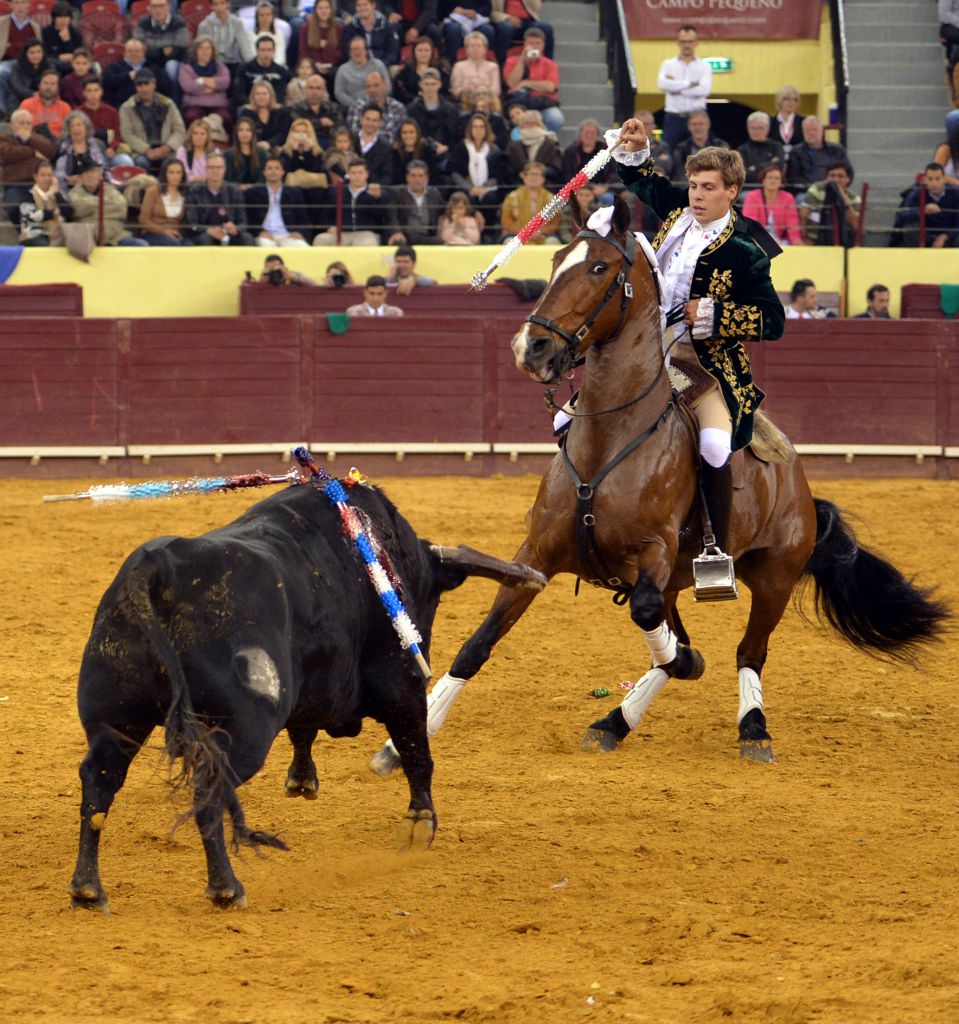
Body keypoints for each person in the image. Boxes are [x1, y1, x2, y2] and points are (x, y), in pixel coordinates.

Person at [610, 115, 786, 598]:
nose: (696, 194)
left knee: (712, 446)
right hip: (646, 348)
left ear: (732, 191)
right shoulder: (676, 210)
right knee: (572, 417)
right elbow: (639, 177)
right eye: (693, 185)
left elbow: (773, 320)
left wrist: (712, 312)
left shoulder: (747, 251)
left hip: (703, 365)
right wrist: (639, 145)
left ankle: (716, 551)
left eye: (708, 187)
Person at [67, 154, 149, 246]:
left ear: (100, 175)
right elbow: (78, 209)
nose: (90, 175)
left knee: (141, 245)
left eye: (93, 171)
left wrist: (91, 209)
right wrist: (105, 205)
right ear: (80, 177)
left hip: (116, 236)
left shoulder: (110, 190)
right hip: (88, 239)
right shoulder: (73, 194)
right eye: (86, 172)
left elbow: (121, 207)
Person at [119, 68, 186, 171]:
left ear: (154, 85)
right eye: (140, 85)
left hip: (166, 150)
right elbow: (127, 134)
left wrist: (167, 147)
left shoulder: (168, 104)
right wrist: (147, 150)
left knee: (174, 163)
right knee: (141, 163)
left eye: (147, 84)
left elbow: (179, 129)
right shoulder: (127, 107)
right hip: (141, 152)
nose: (144, 88)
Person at [657, 25, 712, 150]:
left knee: (701, 156)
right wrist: (691, 84)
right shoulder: (668, 64)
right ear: (678, 43)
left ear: (696, 43)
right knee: (669, 154)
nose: (686, 45)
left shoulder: (704, 66)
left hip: (698, 118)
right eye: (683, 41)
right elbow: (662, 84)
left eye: (690, 41)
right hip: (674, 119)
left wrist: (675, 87)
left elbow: (704, 90)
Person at [312, 157, 389, 244]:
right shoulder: (336, 192)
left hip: (365, 234)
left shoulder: (376, 193)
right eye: (353, 173)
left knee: (368, 244)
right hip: (342, 233)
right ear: (348, 175)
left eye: (360, 173)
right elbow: (325, 215)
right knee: (321, 240)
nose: (357, 176)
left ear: (366, 174)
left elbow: (384, 217)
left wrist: (378, 199)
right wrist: (329, 227)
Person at [449, 111, 503, 231]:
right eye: (475, 127)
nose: (478, 130)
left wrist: (483, 187)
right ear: (470, 129)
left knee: (490, 199)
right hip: (467, 188)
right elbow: (455, 173)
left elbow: (498, 175)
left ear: (486, 129)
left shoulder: (494, 150)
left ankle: (487, 231)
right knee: (467, 199)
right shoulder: (461, 148)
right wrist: (470, 188)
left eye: (481, 127)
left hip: (487, 189)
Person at [502, 27, 563, 134]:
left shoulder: (550, 64)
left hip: (542, 103)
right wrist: (521, 62)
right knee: (515, 117)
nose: (534, 46)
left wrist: (526, 83)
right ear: (525, 44)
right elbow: (511, 83)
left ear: (543, 45)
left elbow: (550, 86)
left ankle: (538, 139)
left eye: (538, 43)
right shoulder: (512, 61)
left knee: (556, 119)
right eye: (531, 43)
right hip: (520, 104)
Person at [185, 151, 254, 244]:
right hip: (206, 234)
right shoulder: (195, 191)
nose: (215, 171)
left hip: (228, 233)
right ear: (205, 169)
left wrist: (235, 229)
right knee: (204, 240)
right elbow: (191, 223)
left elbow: (243, 223)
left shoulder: (234, 191)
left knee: (247, 239)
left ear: (224, 169)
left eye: (219, 167)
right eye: (211, 168)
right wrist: (209, 230)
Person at [0, 109, 57, 213]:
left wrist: (30, 138)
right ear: (12, 125)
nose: (25, 126)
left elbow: (51, 151)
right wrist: (32, 152)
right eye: (21, 123)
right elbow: (5, 153)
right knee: (14, 207)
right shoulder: (5, 139)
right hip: (15, 185)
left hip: (39, 184)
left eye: (28, 123)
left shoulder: (39, 139)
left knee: (49, 208)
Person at [246, 154, 311, 245]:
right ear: (264, 172)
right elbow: (248, 219)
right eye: (269, 168)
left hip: (288, 235)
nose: (273, 171)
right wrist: (259, 232)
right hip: (265, 235)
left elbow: (303, 219)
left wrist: (299, 232)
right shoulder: (253, 193)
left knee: (302, 246)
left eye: (277, 168)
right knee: (265, 245)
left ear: (282, 172)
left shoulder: (294, 193)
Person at [894, 162, 959, 247]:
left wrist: (945, 236)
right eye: (930, 179)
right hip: (925, 237)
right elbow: (900, 217)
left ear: (944, 179)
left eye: (937, 179)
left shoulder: (955, 193)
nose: (934, 183)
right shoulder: (918, 193)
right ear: (925, 179)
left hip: (949, 238)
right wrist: (923, 211)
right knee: (909, 229)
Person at [800, 161, 861, 247]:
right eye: (832, 175)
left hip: (841, 242)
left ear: (848, 179)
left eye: (840, 176)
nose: (836, 179)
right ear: (827, 177)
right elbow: (803, 216)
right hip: (813, 240)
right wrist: (803, 240)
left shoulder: (854, 198)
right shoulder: (817, 189)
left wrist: (840, 193)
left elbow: (855, 224)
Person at [499, 160, 560, 243]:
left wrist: (540, 231)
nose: (534, 177)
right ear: (524, 177)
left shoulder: (550, 198)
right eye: (531, 174)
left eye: (537, 174)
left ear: (543, 179)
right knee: (508, 241)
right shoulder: (513, 196)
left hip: (542, 236)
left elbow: (555, 223)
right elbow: (506, 221)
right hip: (517, 234)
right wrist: (523, 232)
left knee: (553, 241)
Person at [741, 165, 803, 246]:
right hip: (757, 240)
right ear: (763, 180)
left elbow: (792, 223)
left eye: (776, 178)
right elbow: (751, 225)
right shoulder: (752, 196)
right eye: (770, 177)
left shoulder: (788, 197)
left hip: (782, 241)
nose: (773, 181)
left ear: (781, 182)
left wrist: (796, 241)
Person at [134, 0, 189, 90]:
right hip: (149, 61)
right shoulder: (143, 23)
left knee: (171, 66)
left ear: (168, 7)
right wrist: (162, 51)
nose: (158, 10)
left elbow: (180, 48)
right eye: (154, 6)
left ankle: (174, 97)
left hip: (173, 60)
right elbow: (140, 48)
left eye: (161, 6)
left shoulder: (179, 23)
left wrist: (152, 51)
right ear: (149, 8)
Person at [103, 39, 172, 110]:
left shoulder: (153, 67)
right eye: (130, 51)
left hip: (152, 107)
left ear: (143, 53)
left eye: (137, 51)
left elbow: (167, 86)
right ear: (124, 53)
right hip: (123, 106)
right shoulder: (115, 67)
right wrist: (127, 76)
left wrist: (148, 77)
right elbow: (106, 83)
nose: (134, 54)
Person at [404, 67, 459, 155]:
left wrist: (446, 147)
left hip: (444, 153)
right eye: (427, 84)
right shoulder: (412, 109)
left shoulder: (449, 109)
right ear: (420, 84)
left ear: (439, 85)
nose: (430, 88)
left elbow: (454, 134)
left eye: (433, 84)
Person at [178, 37, 232, 127]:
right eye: (201, 48)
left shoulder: (220, 67)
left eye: (208, 48)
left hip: (218, 105)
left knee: (226, 117)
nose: (205, 51)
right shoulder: (186, 68)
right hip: (194, 104)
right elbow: (188, 86)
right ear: (195, 50)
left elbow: (225, 82)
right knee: (190, 116)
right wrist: (213, 88)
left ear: (212, 51)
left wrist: (201, 80)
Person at [0, 0, 41, 117]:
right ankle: (4, 110)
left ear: (28, 5)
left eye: (23, 2)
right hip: (7, 62)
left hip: (28, 63)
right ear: (11, 5)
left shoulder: (34, 27)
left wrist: (12, 46)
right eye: (16, 2)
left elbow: (37, 48)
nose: (20, 6)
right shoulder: (2, 23)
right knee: (1, 72)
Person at [387, 160, 443, 244]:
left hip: (427, 235)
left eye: (420, 176)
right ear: (407, 177)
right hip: (405, 235)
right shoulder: (396, 192)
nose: (417, 180)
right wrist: (396, 232)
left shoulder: (434, 193)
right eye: (413, 176)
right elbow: (392, 216)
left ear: (426, 178)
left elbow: (445, 210)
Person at [138, 155, 191, 244]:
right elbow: (143, 220)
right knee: (172, 243)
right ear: (165, 174)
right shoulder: (153, 191)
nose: (175, 176)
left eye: (178, 173)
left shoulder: (185, 194)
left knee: (189, 245)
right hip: (153, 233)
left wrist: (176, 233)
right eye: (171, 172)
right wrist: (164, 231)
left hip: (175, 235)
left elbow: (184, 222)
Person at [346, 69, 406, 143]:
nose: (372, 90)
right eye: (368, 87)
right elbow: (354, 135)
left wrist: (368, 136)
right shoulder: (357, 107)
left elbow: (394, 137)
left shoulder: (398, 108)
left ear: (385, 85)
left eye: (376, 85)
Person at [786, 116, 847, 189]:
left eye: (814, 130)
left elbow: (848, 172)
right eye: (807, 130)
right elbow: (793, 177)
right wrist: (814, 188)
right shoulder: (796, 152)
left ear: (822, 131)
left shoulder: (837, 150)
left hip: (833, 189)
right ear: (803, 133)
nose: (811, 133)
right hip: (806, 191)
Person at [17, 160, 67, 246]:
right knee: (43, 244)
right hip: (34, 234)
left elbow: (68, 212)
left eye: (49, 175)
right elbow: (31, 215)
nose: (46, 178)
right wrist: (54, 213)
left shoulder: (58, 193)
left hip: (57, 234)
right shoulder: (27, 194)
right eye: (43, 175)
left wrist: (56, 193)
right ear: (36, 177)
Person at [504, 108, 561, 184]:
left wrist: (537, 171)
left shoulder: (550, 144)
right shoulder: (514, 146)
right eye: (527, 123)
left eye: (534, 123)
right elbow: (509, 170)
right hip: (520, 185)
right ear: (522, 126)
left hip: (545, 185)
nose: (531, 126)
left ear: (540, 125)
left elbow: (555, 169)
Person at [333, 34, 390, 110]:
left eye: (359, 49)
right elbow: (339, 93)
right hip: (353, 107)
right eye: (353, 49)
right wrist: (356, 105)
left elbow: (388, 87)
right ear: (349, 53)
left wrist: (377, 101)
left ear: (366, 51)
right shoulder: (343, 70)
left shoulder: (378, 65)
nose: (356, 52)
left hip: (379, 105)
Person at [197, 0, 255, 73]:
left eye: (222, 3)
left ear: (227, 4)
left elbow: (245, 48)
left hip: (231, 64)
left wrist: (254, 65)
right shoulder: (204, 26)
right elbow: (201, 52)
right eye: (215, 4)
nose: (219, 8)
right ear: (211, 7)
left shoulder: (237, 23)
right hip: (211, 64)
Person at [491, 0, 554, 67]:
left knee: (546, 28)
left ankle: (548, 65)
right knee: (505, 28)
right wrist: (507, 18)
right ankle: (501, 65)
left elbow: (536, 8)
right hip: (506, 21)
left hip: (528, 21)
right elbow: (492, 13)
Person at [233, 35, 290, 107]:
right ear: (257, 51)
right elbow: (239, 93)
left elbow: (280, 94)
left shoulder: (281, 72)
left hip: (272, 107)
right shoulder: (244, 69)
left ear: (274, 51)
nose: (266, 54)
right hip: (250, 106)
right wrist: (252, 104)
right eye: (262, 50)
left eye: (269, 50)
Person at [393, 37, 449, 107]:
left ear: (432, 52)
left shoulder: (440, 69)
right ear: (414, 52)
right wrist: (416, 100)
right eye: (420, 50)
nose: (423, 53)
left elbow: (445, 89)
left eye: (426, 50)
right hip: (410, 105)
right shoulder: (405, 70)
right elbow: (399, 92)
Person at [288, 73, 340, 148]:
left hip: (329, 145)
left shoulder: (334, 108)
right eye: (311, 88)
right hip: (303, 145)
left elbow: (339, 128)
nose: (314, 92)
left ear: (324, 91)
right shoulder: (296, 108)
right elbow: (297, 126)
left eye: (318, 88)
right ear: (305, 90)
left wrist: (311, 124)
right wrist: (321, 123)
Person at [344, 0, 400, 68]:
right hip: (358, 67)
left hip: (383, 66)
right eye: (359, 5)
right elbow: (347, 52)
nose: (362, 8)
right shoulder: (350, 28)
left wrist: (381, 65)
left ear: (373, 5)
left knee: (396, 70)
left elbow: (393, 52)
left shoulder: (387, 26)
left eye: (365, 4)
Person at [448, 30, 498, 107]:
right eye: (472, 46)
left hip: (488, 104)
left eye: (478, 46)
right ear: (466, 50)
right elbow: (454, 91)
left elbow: (496, 90)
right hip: (465, 103)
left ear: (485, 49)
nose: (475, 49)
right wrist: (464, 91)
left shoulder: (493, 67)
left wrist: (482, 91)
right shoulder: (458, 66)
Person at [18, 68, 72, 139]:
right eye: (45, 83)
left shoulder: (65, 108)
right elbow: (19, 130)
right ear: (39, 85)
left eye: (52, 84)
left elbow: (69, 132)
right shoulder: (26, 105)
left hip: (57, 145)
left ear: (58, 87)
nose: (48, 87)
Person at [298, 0, 343, 82]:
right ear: (315, 10)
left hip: (332, 65)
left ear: (331, 10)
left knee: (334, 74)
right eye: (320, 8)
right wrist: (316, 64)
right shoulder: (305, 29)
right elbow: (304, 52)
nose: (323, 11)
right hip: (313, 65)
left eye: (326, 8)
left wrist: (327, 47)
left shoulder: (339, 28)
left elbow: (340, 54)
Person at [672, 109, 728, 176]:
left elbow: (726, 173)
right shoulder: (680, 150)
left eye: (701, 124)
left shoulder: (721, 147)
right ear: (689, 127)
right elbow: (680, 176)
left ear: (708, 125)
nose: (698, 127)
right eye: (694, 124)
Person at [238, 79, 290, 150]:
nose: (261, 97)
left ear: (271, 95)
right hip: (253, 148)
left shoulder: (282, 112)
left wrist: (269, 143)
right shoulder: (247, 112)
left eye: (264, 94)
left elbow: (283, 133)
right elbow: (244, 132)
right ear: (253, 96)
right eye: (258, 94)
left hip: (277, 147)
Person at [736, 112, 784, 186]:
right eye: (753, 128)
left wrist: (756, 168)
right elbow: (743, 175)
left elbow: (779, 166)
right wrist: (769, 165)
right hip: (750, 188)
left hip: (773, 188)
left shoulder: (777, 147)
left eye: (760, 128)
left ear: (768, 129)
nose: (756, 131)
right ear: (748, 129)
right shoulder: (742, 150)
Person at [561, 119, 614, 184]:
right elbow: (567, 174)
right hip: (578, 189)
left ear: (598, 134)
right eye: (586, 132)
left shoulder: (606, 150)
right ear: (580, 134)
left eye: (592, 133)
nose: (589, 135)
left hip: (602, 188)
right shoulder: (570, 152)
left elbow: (614, 173)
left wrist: (605, 187)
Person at [9, 39, 56, 111]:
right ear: (26, 54)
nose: (36, 56)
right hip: (22, 96)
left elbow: (53, 83)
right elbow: (16, 86)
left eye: (38, 52)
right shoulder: (18, 66)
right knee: (14, 96)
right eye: (32, 53)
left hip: (43, 96)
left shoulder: (49, 66)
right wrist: (33, 94)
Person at [352, 104, 393, 182]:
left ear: (379, 123)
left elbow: (387, 176)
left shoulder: (385, 148)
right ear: (361, 120)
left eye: (374, 120)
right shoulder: (349, 141)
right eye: (368, 119)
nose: (370, 123)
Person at [390, 117, 437, 183]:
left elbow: (433, 175)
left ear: (417, 134)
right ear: (400, 135)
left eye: (411, 132)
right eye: (404, 132)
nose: (408, 135)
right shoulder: (394, 153)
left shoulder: (427, 151)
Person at [224, 115, 265, 186]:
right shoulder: (228, 154)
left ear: (253, 133)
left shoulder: (263, 154)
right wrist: (241, 187)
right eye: (241, 130)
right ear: (236, 133)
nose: (244, 133)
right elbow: (227, 179)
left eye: (248, 130)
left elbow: (264, 178)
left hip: (258, 192)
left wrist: (253, 187)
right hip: (235, 192)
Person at [42, 3, 82, 74]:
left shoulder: (76, 33)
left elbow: (79, 54)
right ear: (54, 18)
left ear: (70, 19)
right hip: (53, 64)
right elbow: (45, 53)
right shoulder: (46, 32)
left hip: (71, 65)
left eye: (66, 17)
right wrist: (59, 57)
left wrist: (67, 41)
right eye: (60, 17)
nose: (63, 20)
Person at [175, 118, 216, 183]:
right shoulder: (182, 151)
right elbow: (182, 176)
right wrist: (201, 179)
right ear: (191, 136)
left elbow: (215, 175)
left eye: (202, 134)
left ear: (207, 136)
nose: (199, 137)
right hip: (187, 187)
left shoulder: (214, 152)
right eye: (195, 133)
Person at [770, 85, 803, 164]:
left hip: (798, 163)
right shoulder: (770, 122)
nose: (791, 102)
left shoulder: (803, 122)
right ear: (779, 101)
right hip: (775, 164)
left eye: (795, 100)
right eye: (787, 99)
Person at [251, 2, 289, 68]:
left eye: (268, 14)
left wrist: (271, 68)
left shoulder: (279, 34)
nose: (265, 18)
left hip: (277, 68)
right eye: (262, 15)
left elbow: (280, 56)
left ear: (273, 16)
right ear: (257, 17)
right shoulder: (250, 35)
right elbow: (252, 55)